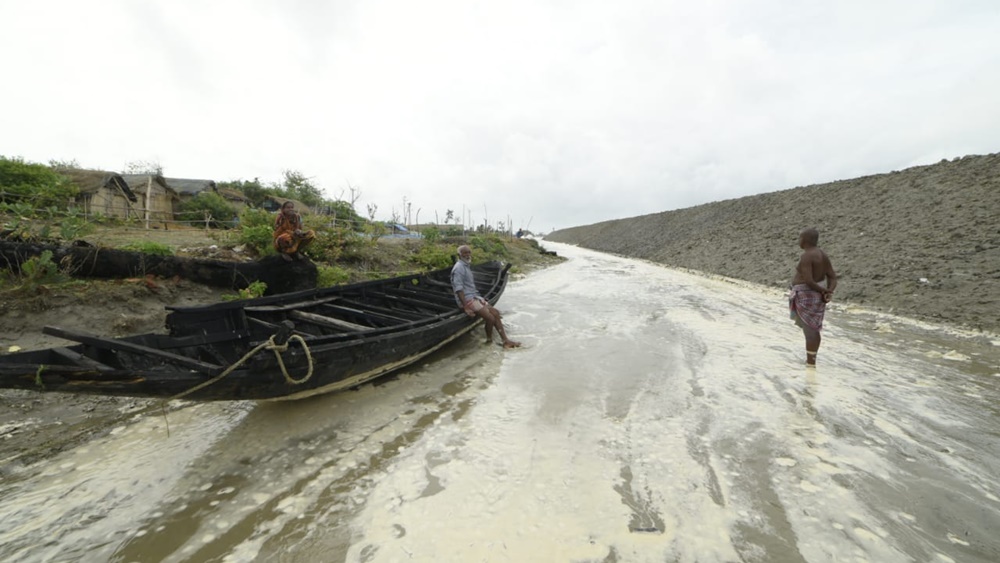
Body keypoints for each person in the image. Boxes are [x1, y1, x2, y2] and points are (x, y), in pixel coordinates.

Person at [451, 244, 521, 348]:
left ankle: (505, 341)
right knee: (490, 319)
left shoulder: (465, 266)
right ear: (459, 255)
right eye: (465, 253)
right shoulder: (459, 268)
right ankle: (489, 341)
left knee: (496, 313)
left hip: (474, 297)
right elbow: (458, 289)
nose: (468, 255)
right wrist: (465, 307)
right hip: (467, 300)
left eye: (469, 252)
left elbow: (468, 287)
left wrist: (479, 298)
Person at [789, 228, 837, 366]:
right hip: (817, 296)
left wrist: (824, 291)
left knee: (809, 328)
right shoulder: (823, 255)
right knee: (814, 327)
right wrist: (829, 291)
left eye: (799, 238)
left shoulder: (806, 256)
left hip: (807, 294)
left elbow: (809, 281)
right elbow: (833, 277)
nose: (799, 241)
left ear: (805, 240)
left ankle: (810, 363)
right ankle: (811, 359)